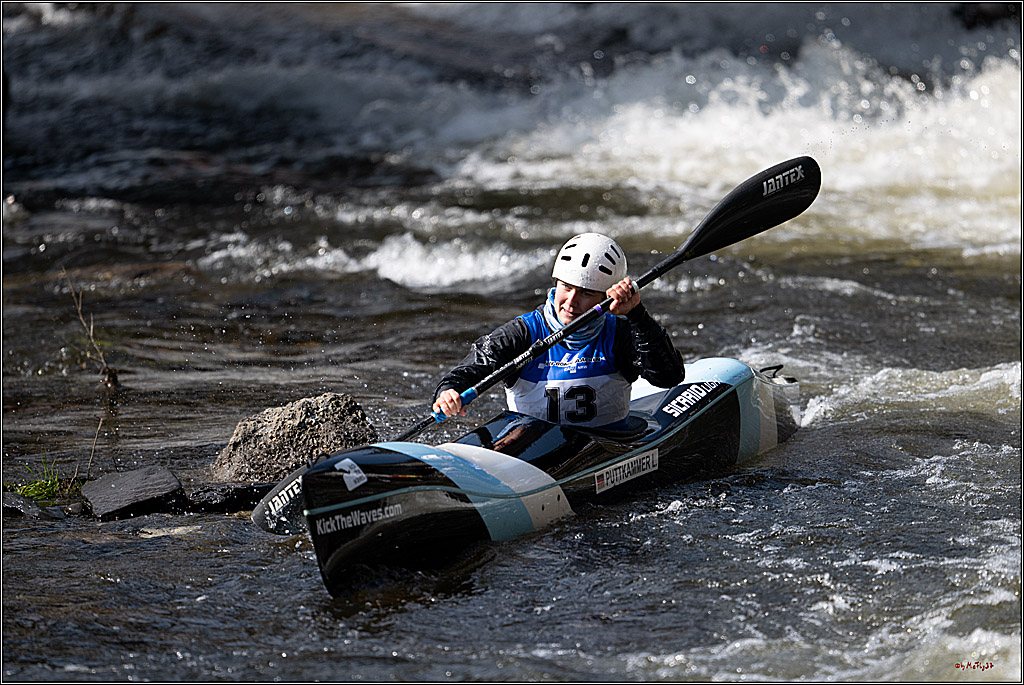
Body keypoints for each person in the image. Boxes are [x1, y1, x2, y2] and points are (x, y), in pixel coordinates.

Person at [432, 232, 685, 430]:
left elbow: (668, 377)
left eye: (586, 293)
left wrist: (637, 314)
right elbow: (469, 370)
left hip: (604, 448)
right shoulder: (523, 333)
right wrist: (448, 393)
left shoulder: (619, 333)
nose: (571, 302)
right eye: (566, 287)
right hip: (534, 450)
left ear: (607, 297)